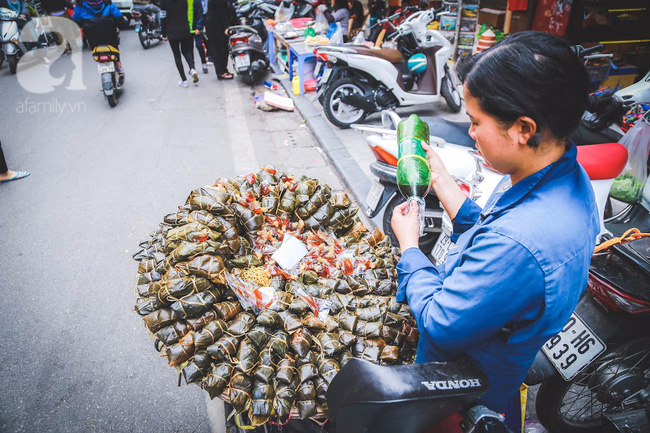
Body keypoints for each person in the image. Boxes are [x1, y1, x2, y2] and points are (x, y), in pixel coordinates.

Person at [391, 31, 599, 432]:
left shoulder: (519, 242)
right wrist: (444, 183)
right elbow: (490, 231)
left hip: (464, 393)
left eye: (475, 122)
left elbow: (440, 322)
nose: (470, 133)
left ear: (523, 128)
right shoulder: (564, 178)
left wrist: (410, 247)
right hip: (501, 370)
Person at [72, 0, 128, 76]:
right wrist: (124, 22)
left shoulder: (80, 5)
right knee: (115, 46)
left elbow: (75, 22)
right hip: (110, 38)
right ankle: (118, 66)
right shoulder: (108, 4)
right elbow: (119, 20)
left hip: (93, 40)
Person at [160, 0, 203, 87]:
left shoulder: (164, 1)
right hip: (184, 28)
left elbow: (163, 18)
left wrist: (163, 33)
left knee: (177, 55)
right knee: (186, 51)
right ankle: (192, 68)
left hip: (172, 30)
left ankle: (184, 80)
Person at [204, 0, 233, 80]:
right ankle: (221, 72)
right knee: (220, 49)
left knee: (220, 48)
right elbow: (222, 11)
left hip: (215, 24)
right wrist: (226, 27)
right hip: (216, 26)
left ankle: (223, 70)